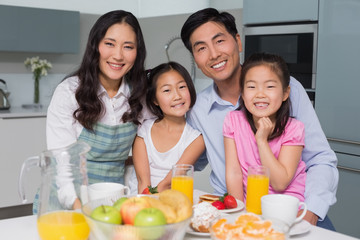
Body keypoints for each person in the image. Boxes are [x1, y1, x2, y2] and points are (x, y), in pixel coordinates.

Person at [181, 8, 338, 229]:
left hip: (299, 210)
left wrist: (311, 212)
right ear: (196, 59)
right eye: (201, 48)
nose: (213, 54)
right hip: (238, 212)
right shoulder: (197, 109)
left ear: (238, 41)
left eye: (219, 41)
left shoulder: (289, 89)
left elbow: (320, 160)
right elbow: (190, 160)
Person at [46, 10, 148, 210]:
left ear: (137, 53)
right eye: (109, 44)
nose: (118, 55)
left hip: (112, 204)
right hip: (68, 203)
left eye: (128, 47)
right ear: (95, 46)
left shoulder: (140, 95)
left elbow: (149, 151)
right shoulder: (69, 92)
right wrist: (78, 208)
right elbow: (62, 165)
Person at [224, 52, 306, 203]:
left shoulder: (294, 129)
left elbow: (280, 183)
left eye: (269, 86)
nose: (260, 94)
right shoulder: (233, 121)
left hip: (284, 207)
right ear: (242, 93)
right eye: (251, 86)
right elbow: (234, 173)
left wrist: (261, 141)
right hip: (251, 207)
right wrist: (238, 212)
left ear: (285, 93)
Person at [128, 62, 205, 194]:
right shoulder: (144, 131)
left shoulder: (196, 139)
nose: (177, 96)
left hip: (170, 199)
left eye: (181, 87)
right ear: (155, 100)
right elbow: (143, 183)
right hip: (140, 200)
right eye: (167, 90)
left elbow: (167, 184)